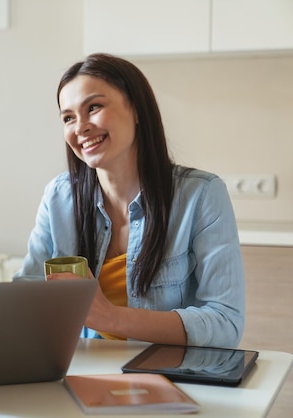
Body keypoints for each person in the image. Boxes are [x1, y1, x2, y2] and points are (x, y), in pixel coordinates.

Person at [14, 53, 244, 348]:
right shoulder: (59, 198)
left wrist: (109, 317)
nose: (80, 127)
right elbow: (26, 297)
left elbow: (226, 324)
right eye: (68, 117)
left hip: (172, 375)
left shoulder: (201, 195)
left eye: (93, 107)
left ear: (136, 109)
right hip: (82, 370)